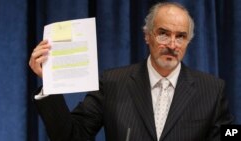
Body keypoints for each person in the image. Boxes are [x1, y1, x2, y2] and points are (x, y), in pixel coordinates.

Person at [29, 2, 233, 141]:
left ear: (188, 41)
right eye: (163, 34)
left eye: (180, 36)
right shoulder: (113, 83)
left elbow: (229, 135)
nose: (172, 44)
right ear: (147, 36)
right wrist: (50, 85)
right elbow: (72, 136)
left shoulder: (212, 89)